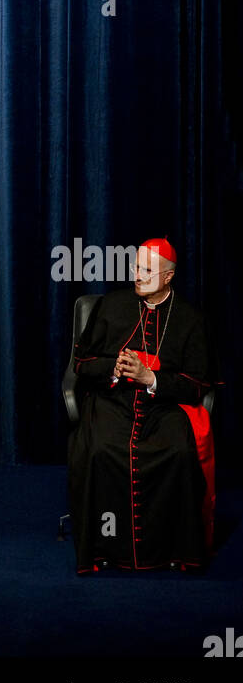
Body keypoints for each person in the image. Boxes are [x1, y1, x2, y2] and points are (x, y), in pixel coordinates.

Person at [68, 237, 217, 573]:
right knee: (100, 448)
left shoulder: (191, 319)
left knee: (178, 450)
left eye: (147, 270)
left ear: (167, 277)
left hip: (164, 404)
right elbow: (82, 363)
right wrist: (114, 368)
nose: (136, 274)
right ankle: (104, 548)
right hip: (112, 398)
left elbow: (197, 384)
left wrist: (151, 379)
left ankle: (174, 551)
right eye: (135, 266)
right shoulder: (111, 305)